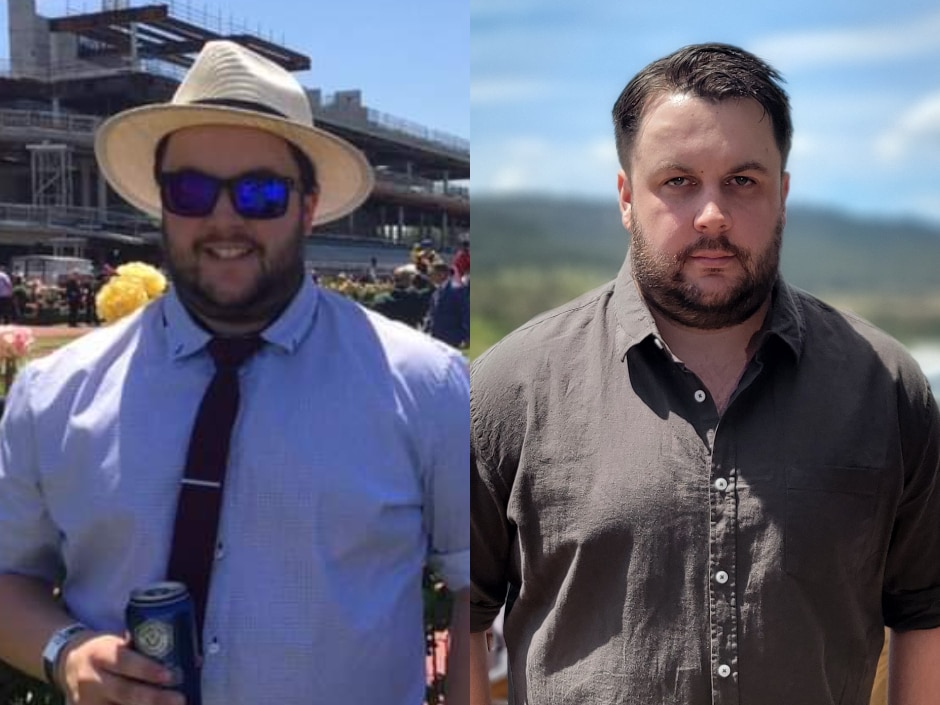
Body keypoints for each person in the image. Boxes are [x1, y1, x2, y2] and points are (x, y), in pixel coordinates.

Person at [0, 40, 469, 705]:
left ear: (307, 205)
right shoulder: (53, 395)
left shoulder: (428, 385)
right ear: (161, 203)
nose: (223, 218)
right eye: (190, 190)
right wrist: (65, 651)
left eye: (260, 191)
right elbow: (7, 575)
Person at [469, 43, 940, 705]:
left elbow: (923, 610)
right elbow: (461, 612)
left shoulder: (887, 388)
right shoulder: (509, 390)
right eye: (679, 182)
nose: (712, 214)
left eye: (743, 181)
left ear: (783, 195)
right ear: (627, 197)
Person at [426, 260, 470, 349]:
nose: (429, 277)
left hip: (452, 338)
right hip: (436, 338)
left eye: (432, 274)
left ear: (442, 274)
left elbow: (465, 313)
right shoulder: (435, 293)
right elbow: (432, 315)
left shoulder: (457, 290)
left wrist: (466, 336)